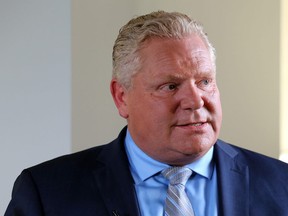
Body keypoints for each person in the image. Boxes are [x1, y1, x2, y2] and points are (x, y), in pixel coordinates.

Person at [5, 11, 288, 216]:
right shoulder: (46, 193)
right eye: (170, 85)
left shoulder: (281, 183)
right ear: (121, 97)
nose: (195, 100)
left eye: (204, 81)